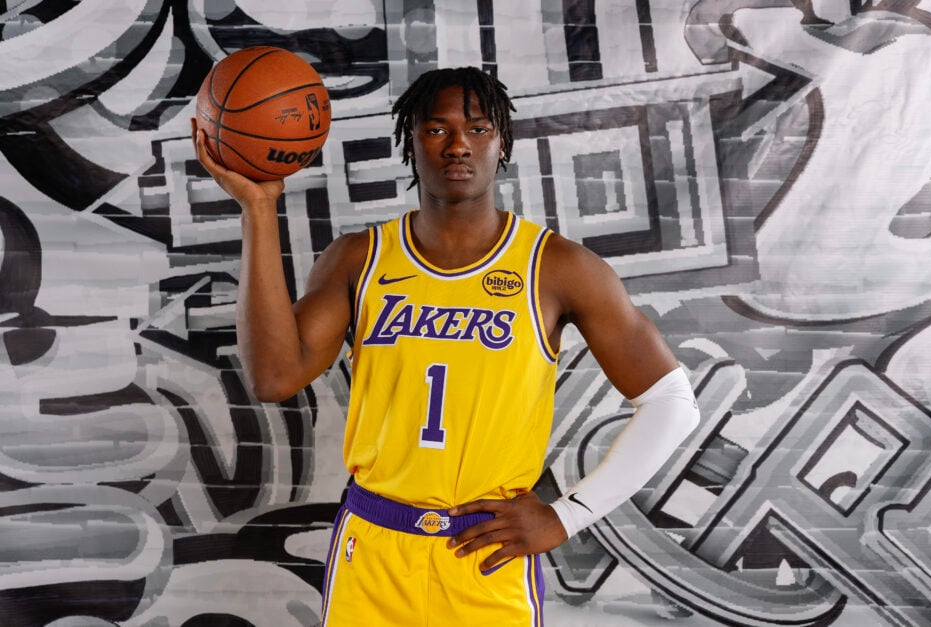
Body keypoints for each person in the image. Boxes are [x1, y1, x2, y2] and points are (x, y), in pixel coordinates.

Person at [192, 66, 699, 626]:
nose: (459, 144)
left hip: (486, 554)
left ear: (501, 142)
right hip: (375, 550)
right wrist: (259, 210)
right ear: (410, 141)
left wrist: (567, 516)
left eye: (478, 129)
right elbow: (273, 377)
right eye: (436, 129)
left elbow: (672, 403)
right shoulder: (359, 258)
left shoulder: (558, 268)